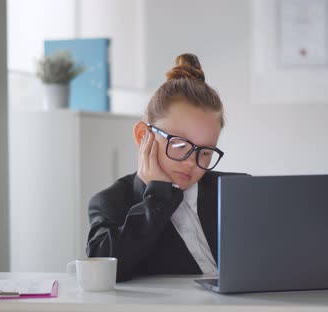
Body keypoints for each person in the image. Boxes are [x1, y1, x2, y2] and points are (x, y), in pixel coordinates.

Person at [86, 53, 243, 282]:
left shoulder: (234, 192)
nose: (191, 162)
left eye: (206, 152)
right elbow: (101, 271)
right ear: (144, 135)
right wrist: (157, 198)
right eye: (179, 144)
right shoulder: (111, 202)